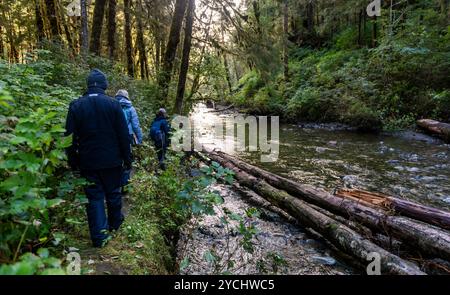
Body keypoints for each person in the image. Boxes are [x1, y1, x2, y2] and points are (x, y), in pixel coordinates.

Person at [65, 69, 132, 248]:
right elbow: (123, 135)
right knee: (113, 193)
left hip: (88, 162)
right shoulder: (114, 105)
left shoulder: (76, 106)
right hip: (112, 160)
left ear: (88, 85)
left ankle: (99, 238)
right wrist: (127, 158)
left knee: (94, 198)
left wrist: (73, 161)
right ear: (104, 85)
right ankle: (115, 225)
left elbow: (68, 138)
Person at [115, 89, 143, 187]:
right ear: (127, 97)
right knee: (127, 159)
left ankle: (116, 183)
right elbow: (135, 126)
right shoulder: (131, 108)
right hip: (127, 136)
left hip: (114, 137)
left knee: (116, 159)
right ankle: (125, 185)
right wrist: (139, 139)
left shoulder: (112, 105)